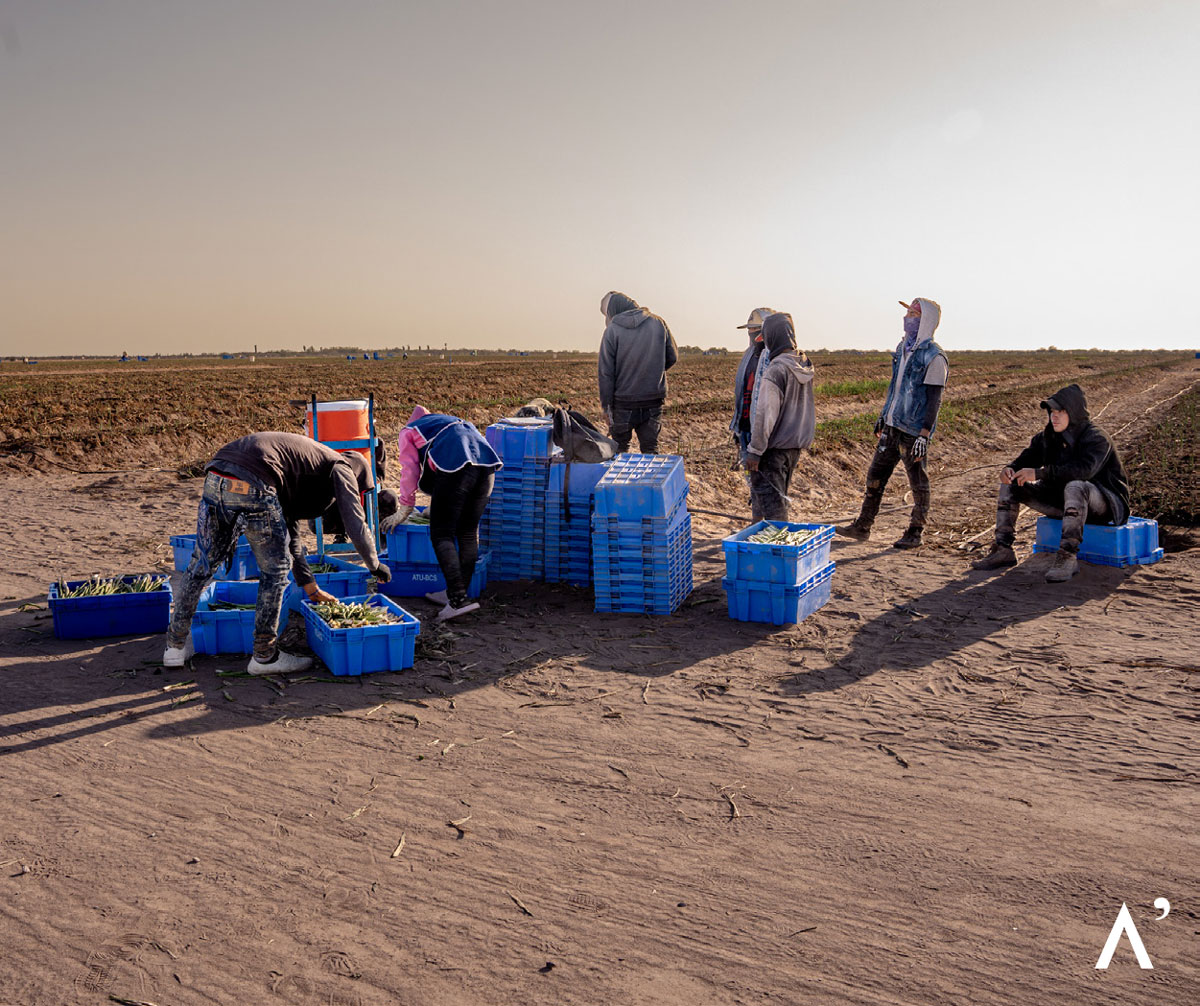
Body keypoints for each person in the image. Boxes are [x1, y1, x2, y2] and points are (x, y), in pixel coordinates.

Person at [163, 432, 392, 674]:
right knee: (274, 573)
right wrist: (374, 565)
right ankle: (265, 656)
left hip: (216, 476)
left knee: (201, 566)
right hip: (254, 480)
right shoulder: (342, 466)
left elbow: (290, 534)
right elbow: (355, 523)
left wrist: (310, 587)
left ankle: (174, 647)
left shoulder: (303, 468)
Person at [971, 384, 1130, 582]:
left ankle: (1067, 556)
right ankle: (1003, 549)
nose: (1054, 416)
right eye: (1052, 412)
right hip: (1062, 502)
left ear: (1074, 412)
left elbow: (1083, 471)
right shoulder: (1047, 437)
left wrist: (1039, 473)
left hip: (1102, 505)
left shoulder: (1096, 438)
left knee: (1076, 485)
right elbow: (1027, 459)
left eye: (1060, 411)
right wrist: (1010, 468)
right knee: (1011, 483)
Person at [837, 297, 948, 549]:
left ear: (926, 321)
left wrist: (924, 434)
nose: (907, 318)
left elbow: (934, 400)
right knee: (875, 476)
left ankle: (915, 531)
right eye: (908, 314)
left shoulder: (934, 357)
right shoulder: (902, 349)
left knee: (918, 483)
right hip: (892, 425)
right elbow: (895, 388)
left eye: (914, 315)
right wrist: (884, 415)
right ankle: (863, 526)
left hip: (913, 431)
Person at [382, 406, 503, 621]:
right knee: (467, 532)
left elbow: (410, 469)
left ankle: (457, 600)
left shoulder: (409, 430)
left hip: (458, 470)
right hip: (487, 468)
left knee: (441, 534)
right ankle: (456, 594)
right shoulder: (450, 423)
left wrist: (406, 506)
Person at [743, 313, 816, 520]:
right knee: (777, 501)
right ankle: (762, 536)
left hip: (773, 450)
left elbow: (766, 414)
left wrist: (755, 451)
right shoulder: (803, 363)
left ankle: (778, 540)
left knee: (773, 510)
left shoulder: (776, 370)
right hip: (793, 447)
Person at [597, 291, 678, 453]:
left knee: (619, 450)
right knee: (650, 449)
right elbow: (672, 357)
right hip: (653, 400)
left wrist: (606, 408)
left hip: (623, 403)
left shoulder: (612, 331)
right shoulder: (658, 323)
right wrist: (652, 372)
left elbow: (606, 374)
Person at [730, 307, 776, 463]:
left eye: (756, 329)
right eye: (750, 329)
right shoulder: (748, 355)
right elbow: (741, 392)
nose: (751, 333)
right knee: (749, 474)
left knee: (764, 474)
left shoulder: (775, 359)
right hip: (746, 428)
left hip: (765, 435)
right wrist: (738, 428)